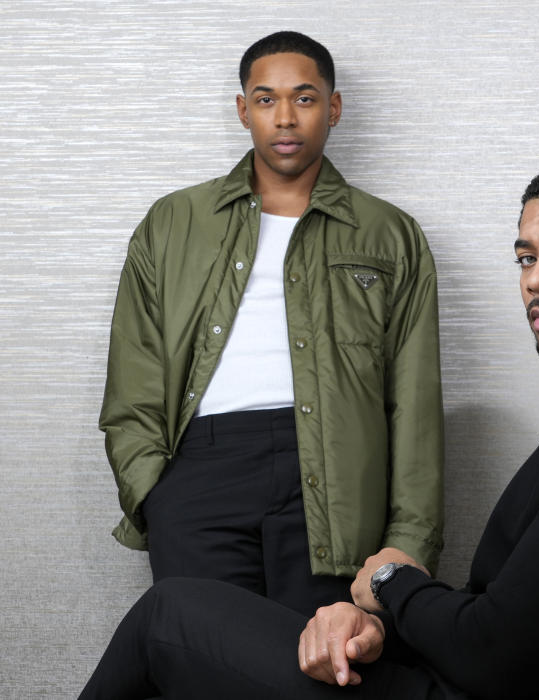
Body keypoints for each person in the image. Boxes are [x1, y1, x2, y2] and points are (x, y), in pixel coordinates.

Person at [81, 158, 539, 699]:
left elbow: (494, 656)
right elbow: (521, 622)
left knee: (165, 620)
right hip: (456, 679)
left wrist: (391, 582)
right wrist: (375, 624)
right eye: (524, 258)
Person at [98, 31, 444, 617]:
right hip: (200, 473)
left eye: (305, 99)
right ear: (243, 110)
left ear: (333, 108)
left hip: (336, 482)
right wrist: (156, 494)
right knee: (202, 663)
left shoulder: (390, 234)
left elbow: (414, 405)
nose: (285, 117)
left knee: (321, 665)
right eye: (266, 99)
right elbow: (133, 374)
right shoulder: (174, 222)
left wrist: (407, 541)